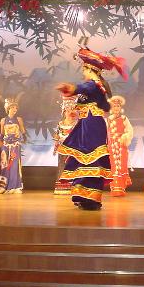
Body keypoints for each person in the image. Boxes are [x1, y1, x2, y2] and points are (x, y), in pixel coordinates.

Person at [56, 45, 128, 210]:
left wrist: (71, 88)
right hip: (87, 124)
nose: (83, 73)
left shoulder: (94, 84)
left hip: (91, 126)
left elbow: (82, 88)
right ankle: (82, 195)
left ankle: (90, 198)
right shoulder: (97, 87)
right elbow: (103, 106)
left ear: (90, 69)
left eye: (84, 70)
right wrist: (78, 109)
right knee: (83, 158)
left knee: (90, 158)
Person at [0, 97, 26, 194]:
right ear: (8, 108)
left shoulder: (19, 119)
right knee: (5, 165)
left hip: (15, 145)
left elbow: (23, 132)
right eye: (13, 108)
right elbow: (2, 134)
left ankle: (14, 186)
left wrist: (23, 138)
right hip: (5, 145)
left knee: (13, 165)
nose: (15, 110)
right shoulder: (3, 120)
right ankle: (3, 186)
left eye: (16, 108)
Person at [107, 95, 133, 197]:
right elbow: (106, 132)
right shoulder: (108, 119)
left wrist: (125, 137)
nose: (116, 108)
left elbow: (129, 130)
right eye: (114, 106)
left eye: (117, 106)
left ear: (120, 107)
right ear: (111, 108)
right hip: (112, 145)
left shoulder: (124, 118)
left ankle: (121, 188)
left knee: (121, 165)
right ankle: (114, 188)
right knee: (113, 166)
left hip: (121, 144)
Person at [52, 95, 78, 195]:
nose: (68, 112)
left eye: (70, 110)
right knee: (62, 167)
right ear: (63, 112)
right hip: (62, 148)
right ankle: (61, 188)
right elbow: (57, 135)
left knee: (72, 167)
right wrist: (56, 145)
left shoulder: (76, 123)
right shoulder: (60, 123)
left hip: (72, 149)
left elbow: (78, 136)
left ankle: (72, 187)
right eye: (66, 110)